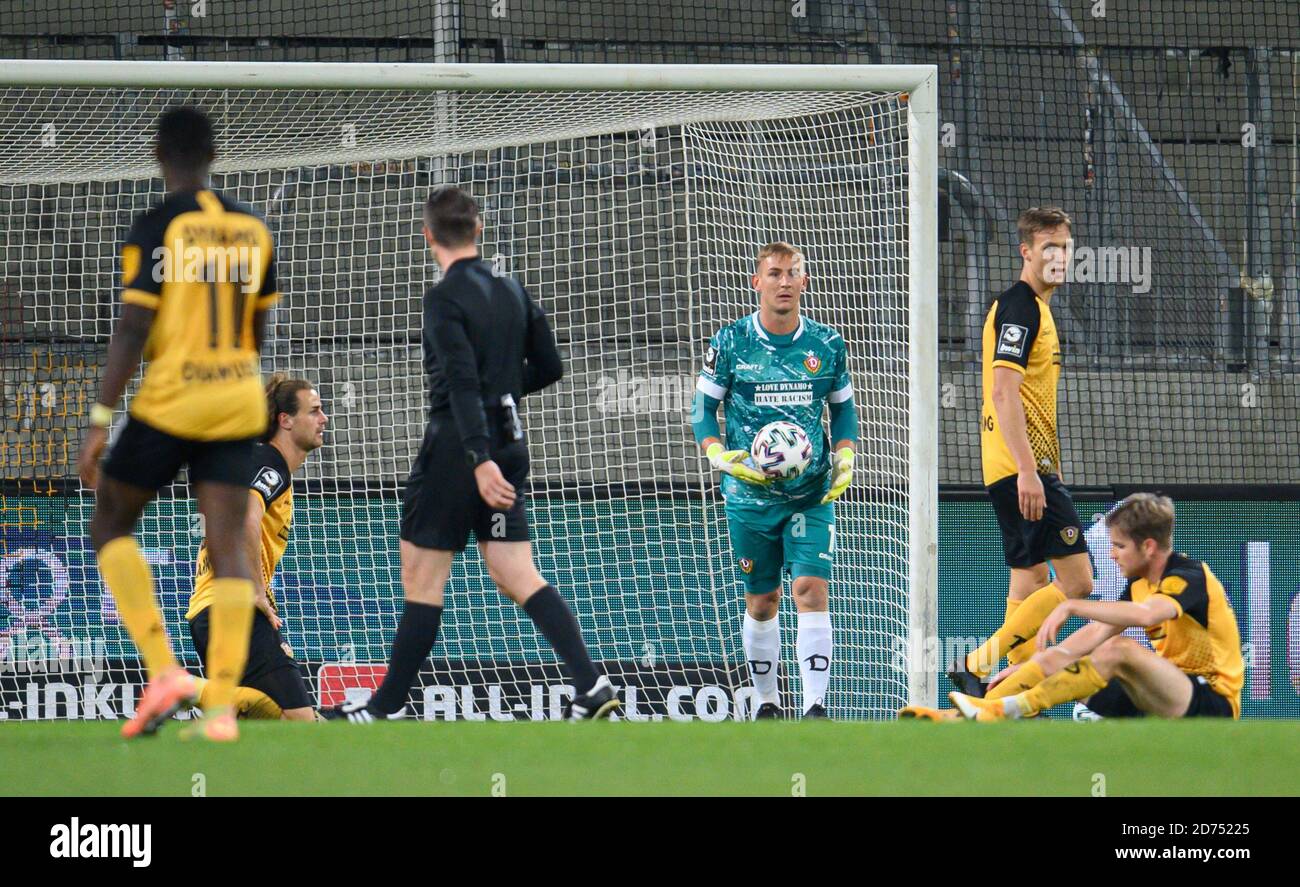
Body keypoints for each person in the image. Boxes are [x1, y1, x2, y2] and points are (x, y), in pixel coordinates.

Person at [325, 186, 617, 722]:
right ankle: (591, 683)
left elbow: (460, 382)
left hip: (461, 451)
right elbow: (551, 366)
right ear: (478, 228)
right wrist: (502, 393)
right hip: (511, 441)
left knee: (422, 578)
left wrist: (477, 454)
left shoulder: (443, 298)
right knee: (514, 572)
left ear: (428, 235)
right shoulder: (511, 287)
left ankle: (383, 707)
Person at [76, 106, 279, 742]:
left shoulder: (158, 225)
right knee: (227, 550)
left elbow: (135, 326)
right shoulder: (253, 228)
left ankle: (163, 671)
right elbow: (258, 328)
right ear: (214, 154)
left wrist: (99, 419)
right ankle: (219, 710)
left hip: (174, 398)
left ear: (160, 155)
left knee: (110, 518)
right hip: (238, 398)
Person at [691, 242, 857, 719]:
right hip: (749, 497)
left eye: (793, 274)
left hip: (811, 492)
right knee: (763, 600)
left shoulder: (826, 344)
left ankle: (815, 708)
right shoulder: (730, 343)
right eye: (775, 273)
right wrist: (718, 454)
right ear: (756, 282)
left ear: (805, 282)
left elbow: (843, 409)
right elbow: (702, 409)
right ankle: (766, 704)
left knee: (809, 587)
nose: (784, 282)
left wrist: (844, 456)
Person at [945, 207, 1094, 699]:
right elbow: (1004, 392)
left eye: (1065, 248)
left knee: (1028, 581)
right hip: (1021, 467)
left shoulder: (1031, 307)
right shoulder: (1021, 307)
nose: (1058, 257)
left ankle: (1010, 696)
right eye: (1048, 247)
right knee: (1078, 581)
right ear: (1026, 252)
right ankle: (978, 662)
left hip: (1011, 464)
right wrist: (1030, 471)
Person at [950, 493, 1242, 721]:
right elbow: (1097, 631)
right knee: (1052, 660)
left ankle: (1010, 709)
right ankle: (977, 714)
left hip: (1211, 702)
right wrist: (1033, 665)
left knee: (1120, 649)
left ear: (1149, 547)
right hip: (1161, 700)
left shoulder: (1188, 576)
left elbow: (1147, 614)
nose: (1113, 555)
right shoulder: (1140, 584)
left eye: (1120, 546)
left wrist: (1073, 606)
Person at [187, 374, 327, 722]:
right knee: (301, 723)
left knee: (276, 724)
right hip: (234, 608)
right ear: (286, 420)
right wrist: (255, 590)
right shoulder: (270, 463)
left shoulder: (259, 462)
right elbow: (245, 520)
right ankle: (183, 688)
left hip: (214, 611)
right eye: (315, 411)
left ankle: (203, 696)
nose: (324, 419)